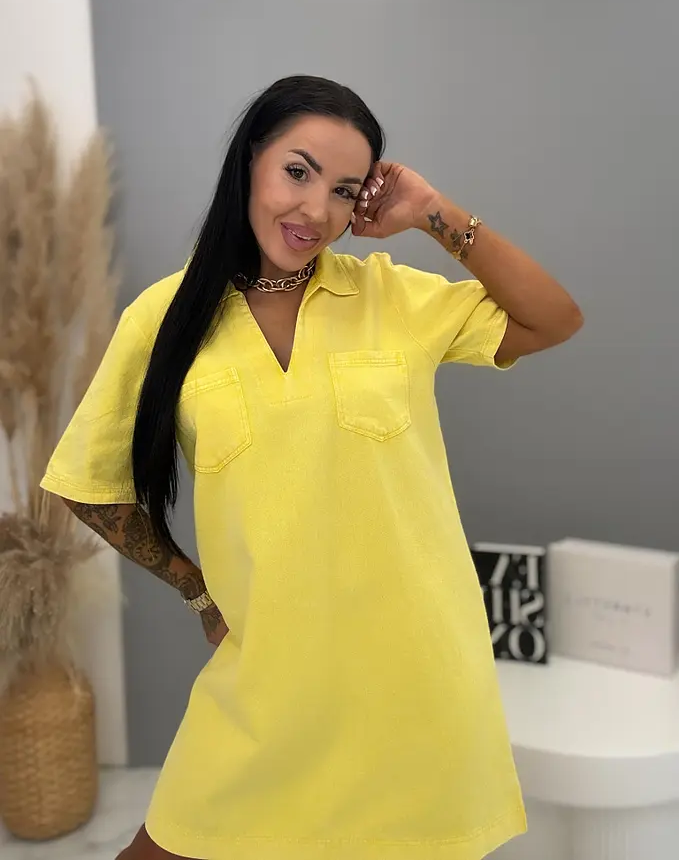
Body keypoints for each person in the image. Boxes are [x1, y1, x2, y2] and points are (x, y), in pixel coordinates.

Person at [41, 75, 582, 860]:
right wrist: (196, 587)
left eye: (343, 191)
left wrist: (433, 212)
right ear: (251, 160)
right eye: (296, 172)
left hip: (412, 680)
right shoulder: (163, 317)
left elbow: (552, 319)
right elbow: (88, 486)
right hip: (267, 684)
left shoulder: (390, 295)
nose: (314, 211)